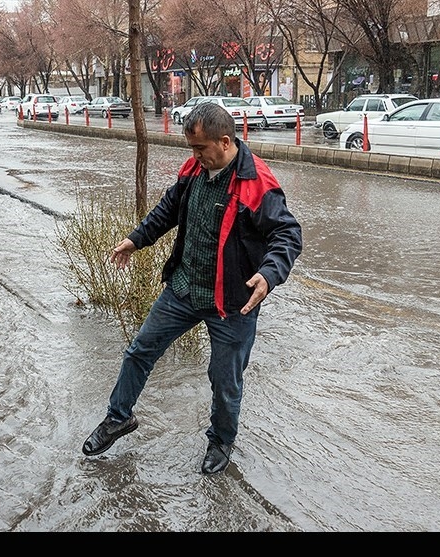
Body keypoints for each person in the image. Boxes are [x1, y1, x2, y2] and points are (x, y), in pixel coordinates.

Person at [82, 102, 303, 474]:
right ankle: (118, 417)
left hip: (231, 303)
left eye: (200, 148)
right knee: (140, 351)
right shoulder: (195, 168)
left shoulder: (257, 184)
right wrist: (136, 239)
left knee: (224, 380)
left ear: (225, 142)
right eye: (192, 148)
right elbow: (169, 208)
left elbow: (287, 234)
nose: (195, 156)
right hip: (183, 289)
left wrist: (269, 273)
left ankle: (221, 441)